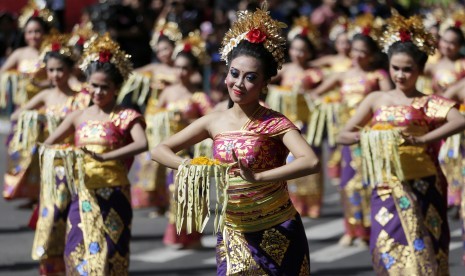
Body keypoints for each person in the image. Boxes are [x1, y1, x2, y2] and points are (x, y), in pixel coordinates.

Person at [152, 4, 318, 274]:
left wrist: (260, 177)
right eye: (234, 73)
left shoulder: (274, 122)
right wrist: (192, 168)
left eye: (251, 77)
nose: (239, 83)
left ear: (264, 83)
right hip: (234, 231)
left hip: (277, 228)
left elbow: (310, 161)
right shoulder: (213, 121)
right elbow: (160, 150)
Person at [337, 13, 465, 275]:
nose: (400, 74)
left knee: (426, 245)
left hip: (423, 183)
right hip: (386, 185)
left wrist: (424, 138)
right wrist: (371, 136)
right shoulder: (376, 98)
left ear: (419, 70)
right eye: (395, 68)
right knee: (387, 246)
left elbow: (459, 119)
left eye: (408, 69)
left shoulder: (428, 101)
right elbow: (343, 135)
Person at [44, 33, 148, 275]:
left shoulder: (126, 115)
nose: (98, 92)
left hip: (114, 193)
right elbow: (48, 144)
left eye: (105, 87)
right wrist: (63, 154)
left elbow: (142, 144)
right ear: (86, 84)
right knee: (77, 252)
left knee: (111, 255)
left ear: (116, 88)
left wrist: (106, 157)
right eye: (94, 86)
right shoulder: (78, 116)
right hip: (82, 194)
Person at [8, 34, 90, 275]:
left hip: (76, 163)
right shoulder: (44, 96)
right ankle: (52, 267)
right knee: (51, 215)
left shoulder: (82, 97)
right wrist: (36, 117)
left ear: (70, 69)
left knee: (73, 216)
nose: (55, 75)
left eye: (60, 70)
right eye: (51, 70)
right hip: (51, 165)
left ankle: (77, 264)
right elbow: (16, 116)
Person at [308, 13, 392, 247]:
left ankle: (367, 230)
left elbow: (389, 101)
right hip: (347, 137)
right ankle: (351, 228)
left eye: (362, 51)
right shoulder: (342, 76)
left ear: (372, 55)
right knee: (347, 183)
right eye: (354, 50)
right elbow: (314, 94)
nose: (357, 55)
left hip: (370, 137)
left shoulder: (378, 76)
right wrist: (327, 105)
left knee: (370, 183)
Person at [155, 31, 213, 249]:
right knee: (176, 194)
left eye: (185, 68)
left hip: (193, 153)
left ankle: (194, 237)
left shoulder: (198, 97)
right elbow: (153, 115)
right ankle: (178, 235)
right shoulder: (167, 92)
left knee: (195, 196)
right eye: (178, 67)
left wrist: (188, 119)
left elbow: (209, 122)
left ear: (193, 71)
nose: (180, 72)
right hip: (172, 152)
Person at [270, 16, 324, 218]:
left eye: (303, 50)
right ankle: (294, 202)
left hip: (308, 124)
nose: (298, 54)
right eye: (295, 49)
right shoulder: (285, 69)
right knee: (290, 162)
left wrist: (309, 94)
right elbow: (265, 81)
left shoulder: (315, 73)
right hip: (288, 124)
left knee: (309, 159)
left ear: (309, 52)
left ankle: (313, 204)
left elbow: (322, 94)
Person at [0, 2, 54, 115]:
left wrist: (40, 84)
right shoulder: (19, 53)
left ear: (44, 32)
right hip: (22, 105)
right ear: (24, 35)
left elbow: (59, 79)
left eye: (37, 31)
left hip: (44, 106)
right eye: (29, 32)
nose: (33, 36)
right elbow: (3, 73)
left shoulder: (51, 53)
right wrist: (16, 77)